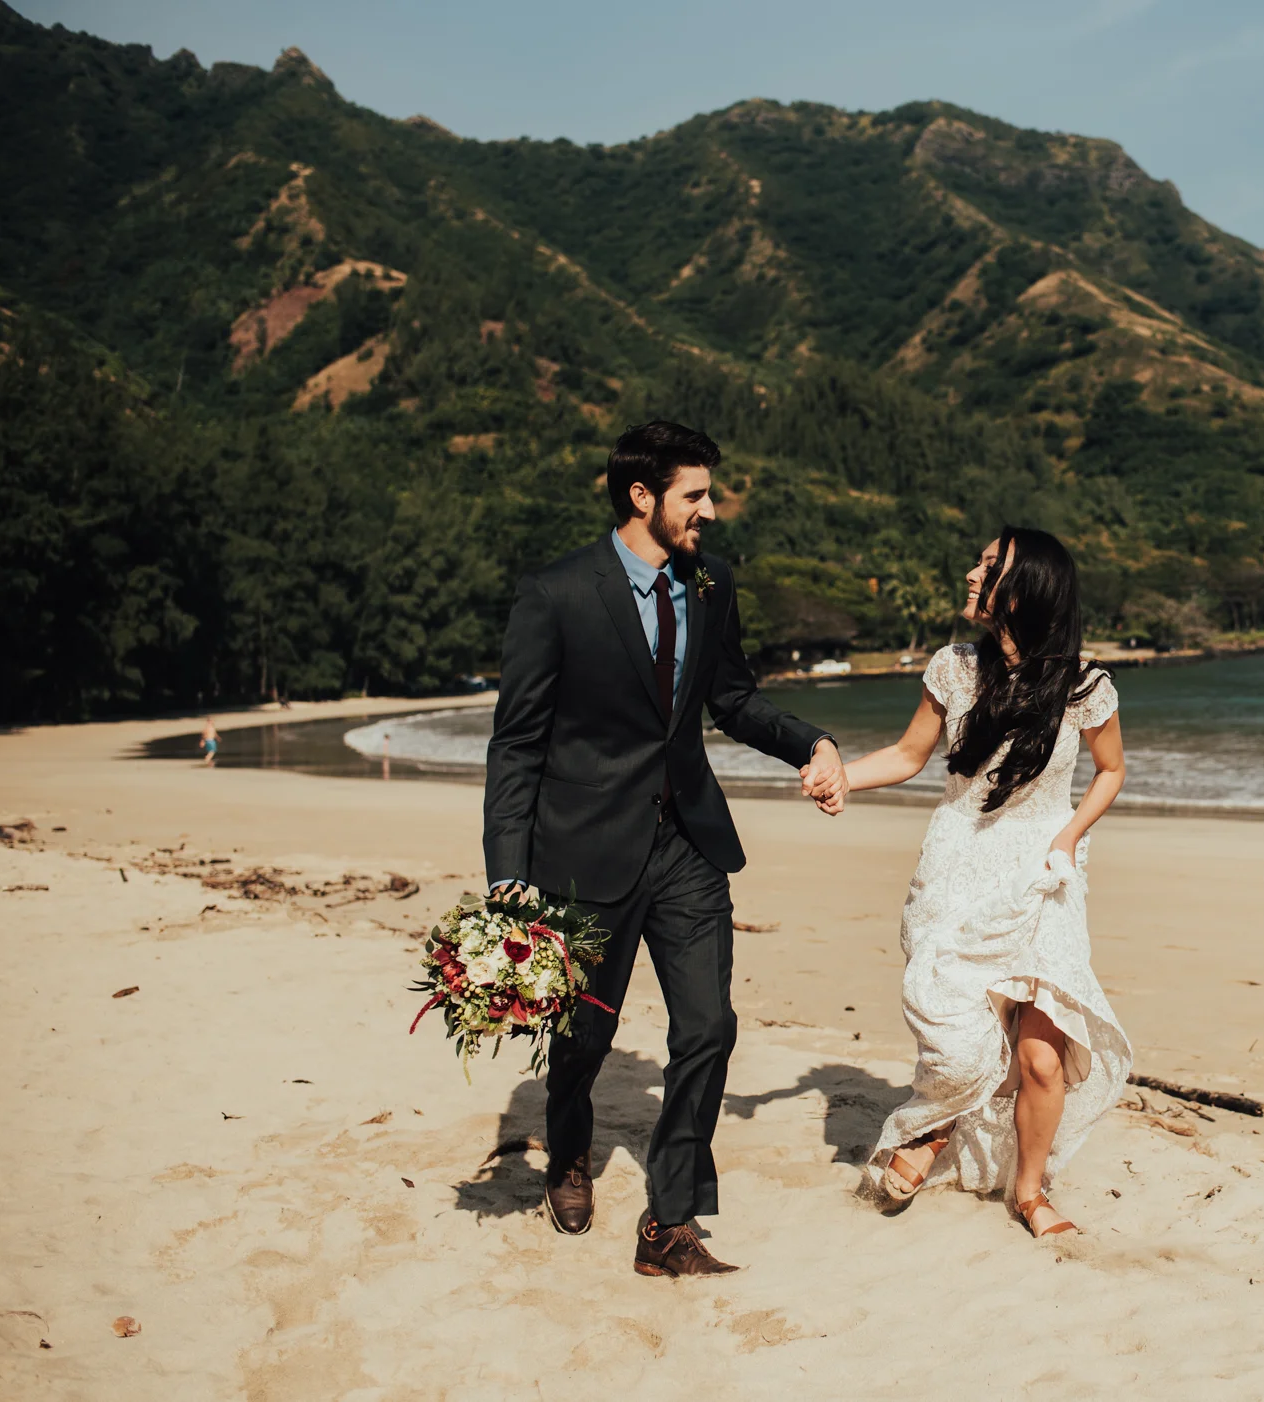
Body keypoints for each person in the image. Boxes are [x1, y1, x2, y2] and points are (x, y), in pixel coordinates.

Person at [482, 420, 849, 1278]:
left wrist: (812, 743)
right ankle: (569, 1152)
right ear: (642, 496)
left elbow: (733, 698)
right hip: (582, 852)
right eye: (696, 494)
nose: (710, 511)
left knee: (709, 1027)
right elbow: (518, 744)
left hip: (687, 841)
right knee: (583, 1035)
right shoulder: (556, 593)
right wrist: (508, 875)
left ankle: (670, 1220)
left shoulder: (712, 582)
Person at [833, 527, 1131, 1240]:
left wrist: (1069, 836)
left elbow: (1112, 770)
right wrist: (840, 776)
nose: (972, 572)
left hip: (1042, 873)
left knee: (1040, 1057)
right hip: (959, 862)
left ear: (1026, 590)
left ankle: (1029, 1192)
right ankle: (935, 1125)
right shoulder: (954, 667)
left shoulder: (1084, 685)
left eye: (990, 566)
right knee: (959, 1036)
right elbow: (908, 754)